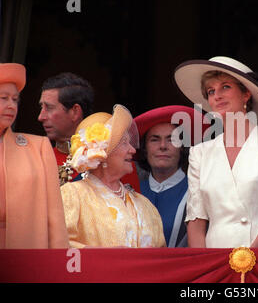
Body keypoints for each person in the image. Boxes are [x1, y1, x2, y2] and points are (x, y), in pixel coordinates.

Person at [174, 56, 258, 248]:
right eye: (211, 91)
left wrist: (247, 259)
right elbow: (196, 222)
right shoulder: (200, 152)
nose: (217, 96)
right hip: (215, 262)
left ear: (246, 94)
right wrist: (206, 267)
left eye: (225, 87)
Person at [60, 104, 166, 248]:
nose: (132, 150)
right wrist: (108, 257)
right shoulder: (72, 195)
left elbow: (160, 256)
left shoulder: (145, 204)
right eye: (124, 143)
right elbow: (60, 245)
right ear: (103, 152)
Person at [0, 63, 68, 248]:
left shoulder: (38, 147)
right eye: (3, 98)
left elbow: (55, 218)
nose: (11, 105)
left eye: (15, 100)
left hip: (26, 257)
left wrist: (58, 264)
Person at [38, 72, 140, 190]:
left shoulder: (117, 162)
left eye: (49, 108)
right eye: (42, 107)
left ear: (75, 111)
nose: (41, 117)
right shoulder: (38, 159)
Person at [134, 105, 205, 247]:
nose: (162, 146)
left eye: (171, 139)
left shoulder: (196, 191)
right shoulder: (132, 192)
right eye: (154, 139)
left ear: (182, 148)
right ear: (144, 148)